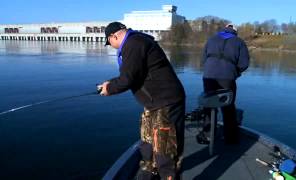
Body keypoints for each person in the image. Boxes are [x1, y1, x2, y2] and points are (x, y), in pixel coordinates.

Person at [98, 22, 186, 180]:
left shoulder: (134, 44)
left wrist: (109, 89)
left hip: (166, 103)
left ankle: (168, 175)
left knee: (165, 152)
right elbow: (134, 74)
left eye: (109, 42)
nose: (111, 46)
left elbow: (128, 78)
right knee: (148, 144)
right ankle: (150, 170)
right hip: (153, 104)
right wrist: (109, 83)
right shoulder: (135, 43)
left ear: (114, 36)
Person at [200, 24, 249, 144]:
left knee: (209, 104)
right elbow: (244, 63)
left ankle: (207, 135)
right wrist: (235, 73)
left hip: (209, 76)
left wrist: (209, 69)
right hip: (227, 77)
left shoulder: (211, 39)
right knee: (228, 106)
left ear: (224, 29)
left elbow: (203, 60)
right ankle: (230, 138)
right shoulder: (239, 42)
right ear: (235, 32)